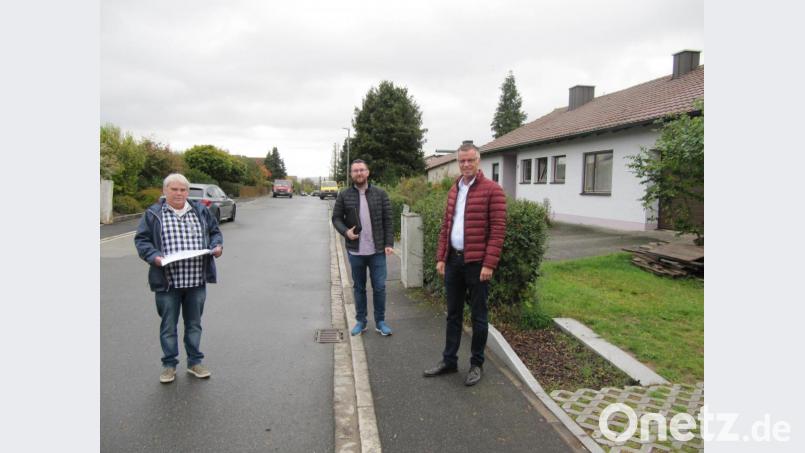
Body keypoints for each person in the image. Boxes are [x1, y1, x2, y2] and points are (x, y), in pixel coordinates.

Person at [423, 140, 506, 386]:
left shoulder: (492, 190)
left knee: (479, 316)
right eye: (462, 161)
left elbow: (498, 230)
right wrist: (441, 257)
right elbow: (446, 226)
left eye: (470, 160)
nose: (466, 164)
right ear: (457, 162)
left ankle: (476, 364)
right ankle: (449, 360)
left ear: (478, 161)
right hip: (453, 261)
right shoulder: (454, 188)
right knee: (453, 314)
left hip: (477, 263)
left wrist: (489, 264)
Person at [135, 173, 223, 384]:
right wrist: (154, 256)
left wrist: (217, 247)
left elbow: (215, 233)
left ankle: (194, 362)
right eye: (174, 189)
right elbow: (142, 240)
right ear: (165, 191)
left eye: (183, 190)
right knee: (168, 326)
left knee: (194, 324)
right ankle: (169, 365)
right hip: (167, 283)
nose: (179, 193)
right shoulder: (153, 214)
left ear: (187, 192)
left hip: (195, 282)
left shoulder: (200, 211)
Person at [332, 159, 395, 337]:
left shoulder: (380, 194)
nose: (359, 173)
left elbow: (388, 220)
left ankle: (380, 322)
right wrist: (346, 232)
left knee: (380, 287)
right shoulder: (344, 195)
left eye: (362, 170)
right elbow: (336, 218)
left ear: (368, 172)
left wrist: (389, 244)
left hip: (377, 251)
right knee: (359, 287)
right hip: (356, 251)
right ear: (351, 174)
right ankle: (361, 321)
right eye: (355, 171)